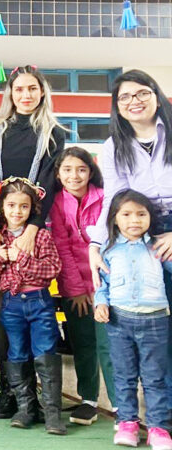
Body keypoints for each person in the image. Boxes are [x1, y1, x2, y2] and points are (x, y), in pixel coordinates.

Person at [0, 65, 66, 420]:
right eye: (19, 90)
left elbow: (51, 181)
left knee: (36, 311)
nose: (25, 95)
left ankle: (40, 397)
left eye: (32, 89)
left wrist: (32, 226)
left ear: (42, 92)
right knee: (4, 312)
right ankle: (10, 393)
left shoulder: (55, 132)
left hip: (35, 227)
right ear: (10, 94)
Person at [86, 70, 172, 407]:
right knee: (154, 326)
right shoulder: (112, 146)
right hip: (138, 229)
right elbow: (114, 199)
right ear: (117, 106)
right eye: (125, 97)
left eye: (141, 93)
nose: (134, 101)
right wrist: (96, 244)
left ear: (156, 95)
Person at [0, 178, 64, 435]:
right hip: (11, 305)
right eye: (11, 205)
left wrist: (23, 260)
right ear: (2, 208)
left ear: (32, 209)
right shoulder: (0, 237)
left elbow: (52, 269)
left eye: (23, 206)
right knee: (16, 353)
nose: (17, 211)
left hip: (39, 302)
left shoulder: (40, 236)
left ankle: (52, 414)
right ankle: (25, 409)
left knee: (46, 352)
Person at [95, 191, 172, 450]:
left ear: (150, 217)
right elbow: (101, 284)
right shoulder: (108, 251)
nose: (134, 220)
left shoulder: (160, 247)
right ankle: (127, 422)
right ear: (115, 219)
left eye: (141, 214)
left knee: (155, 377)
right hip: (119, 321)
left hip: (156, 322)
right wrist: (100, 302)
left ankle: (158, 427)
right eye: (126, 214)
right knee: (124, 375)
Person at [50, 147, 114, 426]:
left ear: (91, 171)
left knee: (108, 347)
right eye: (67, 169)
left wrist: (100, 289)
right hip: (73, 289)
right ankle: (88, 400)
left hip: (108, 287)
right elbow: (62, 248)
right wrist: (75, 289)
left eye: (81, 169)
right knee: (84, 344)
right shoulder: (55, 202)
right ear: (58, 173)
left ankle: (121, 406)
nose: (74, 176)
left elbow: (110, 244)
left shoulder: (106, 198)